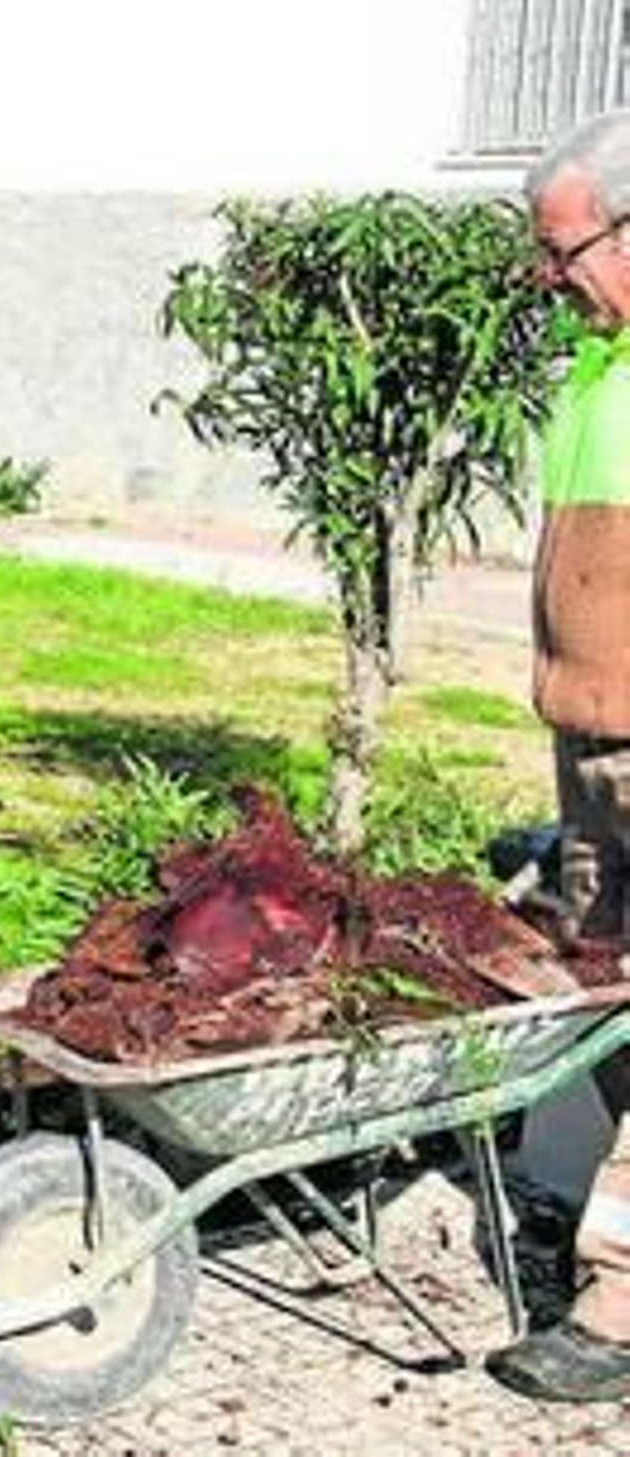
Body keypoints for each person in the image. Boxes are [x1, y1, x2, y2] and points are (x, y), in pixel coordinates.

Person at [484, 110, 630, 1403]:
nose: (551, 274)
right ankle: (564, 1203)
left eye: (566, 248)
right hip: (593, 747)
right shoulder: (602, 366)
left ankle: (623, 1310)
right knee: (593, 989)